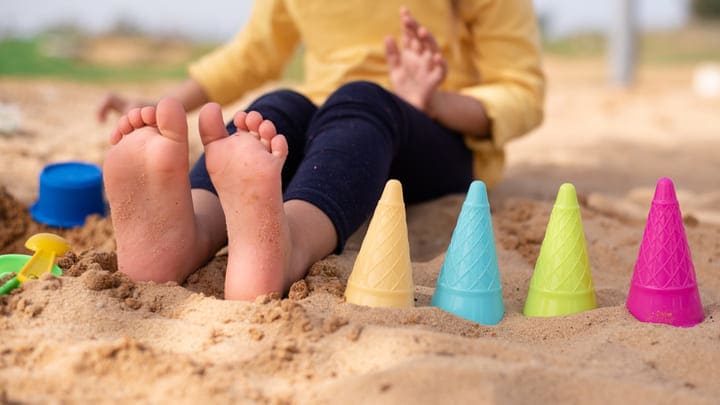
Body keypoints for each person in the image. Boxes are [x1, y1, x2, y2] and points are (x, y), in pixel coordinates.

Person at [98, 0, 545, 300]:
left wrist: (437, 101)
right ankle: (190, 229)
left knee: (360, 100)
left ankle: (290, 242)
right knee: (279, 108)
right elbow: (253, 53)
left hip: (433, 131)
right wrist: (160, 102)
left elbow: (521, 90)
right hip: (329, 128)